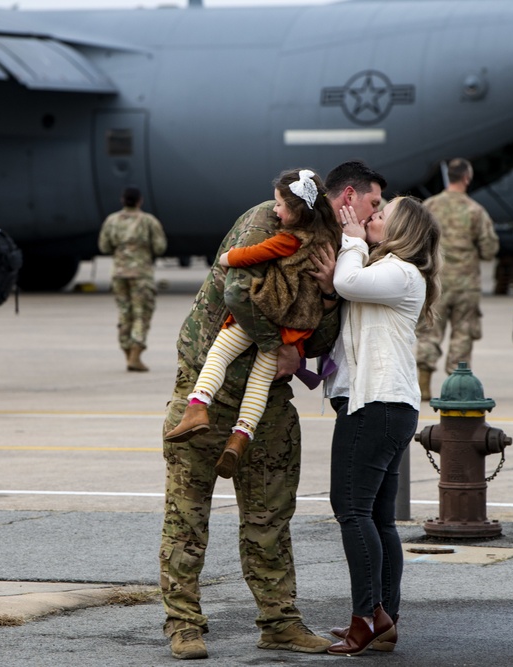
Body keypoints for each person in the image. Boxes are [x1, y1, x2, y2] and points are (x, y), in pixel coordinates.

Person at [160, 160, 386, 661]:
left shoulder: (337, 249)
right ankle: (183, 622)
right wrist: (276, 344)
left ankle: (279, 621)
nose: (376, 215)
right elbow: (232, 290)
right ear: (346, 195)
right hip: (209, 381)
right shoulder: (269, 218)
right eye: (372, 204)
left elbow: (324, 339)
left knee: (270, 515)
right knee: (187, 512)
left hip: (268, 398)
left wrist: (329, 293)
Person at [164, 169, 340, 480]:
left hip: (269, 309)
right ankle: (240, 438)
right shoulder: (329, 239)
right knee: (261, 381)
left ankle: (197, 406)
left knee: (219, 353)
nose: (274, 211)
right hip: (298, 327)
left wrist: (227, 258)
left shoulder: (290, 239)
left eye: (279, 206)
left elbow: (256, 253)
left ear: (297, 211)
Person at [324, 196, 441, 657]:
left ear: (402, 230)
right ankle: (384, 618)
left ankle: (367, 618)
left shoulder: (400, 271)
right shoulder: (390, 272)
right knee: (377, 517)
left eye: (380, 215)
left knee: (351, 509)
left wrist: (350, 242)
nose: (370, 218)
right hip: (388, 406)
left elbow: (347, 282)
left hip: (377, 404)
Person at [415, 158, 499, 400]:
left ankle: (424, 383)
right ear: (467, 178)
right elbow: (489, 249)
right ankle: (458, 386)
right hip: (466, 286)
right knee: (463, 333)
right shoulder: (475, 211)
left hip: (435, 282)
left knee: (429, 331)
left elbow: (417, 242)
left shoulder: (429, 206)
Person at [98, 186, 168, 372]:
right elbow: (160, 247)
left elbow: (104, 246)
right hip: (141, 274)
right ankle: (135, 356)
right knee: (141, 314)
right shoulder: (148, 221)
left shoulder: (111, 221)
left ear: (123, 200)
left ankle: (128, 353)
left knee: (124, 313)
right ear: (140, 201)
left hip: (119, 273)